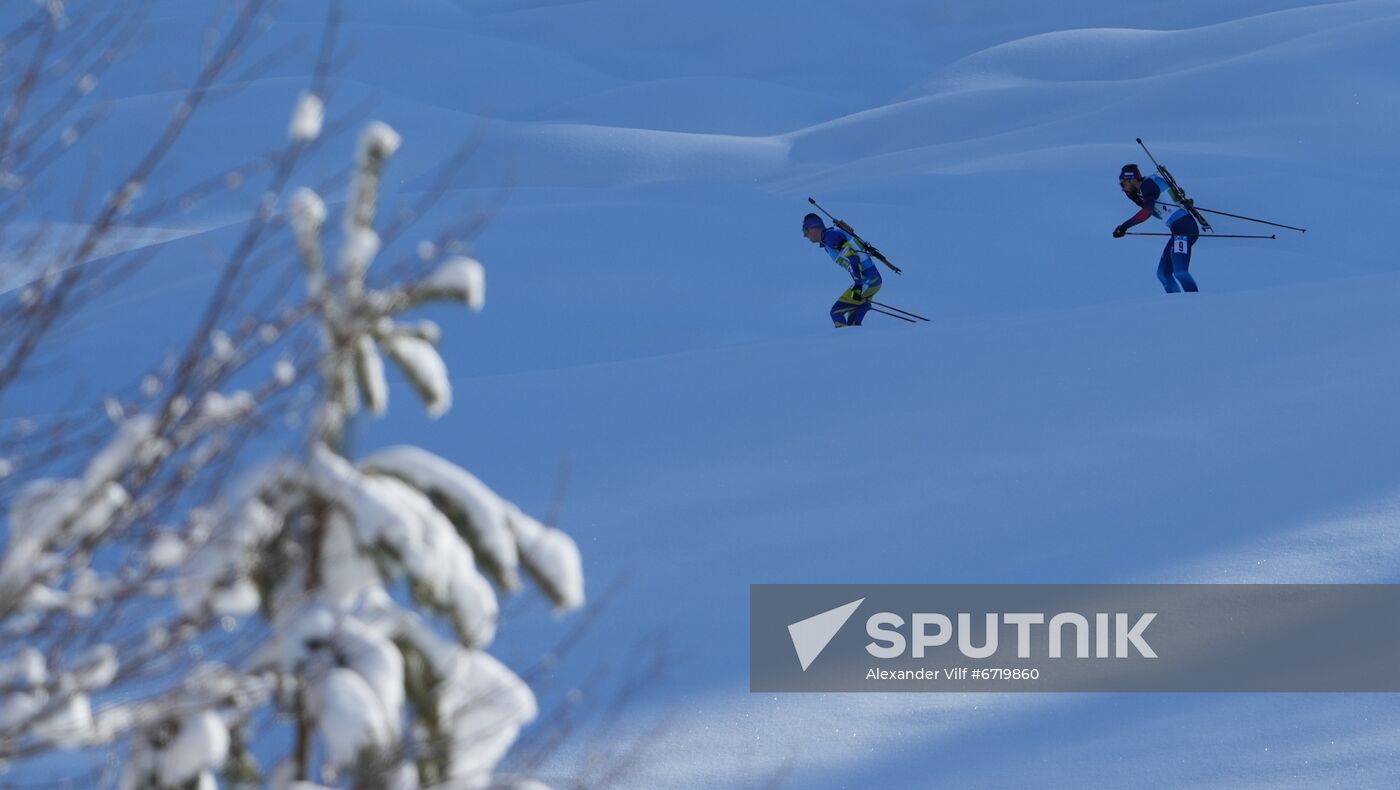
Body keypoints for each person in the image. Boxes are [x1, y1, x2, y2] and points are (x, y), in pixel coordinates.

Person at [1112, 163, 1201, 293]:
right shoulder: (1149, 184)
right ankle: (1178, 303)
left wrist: (1124, 227)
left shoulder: (1147, 185)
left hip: (1184, 229)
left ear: (1131, 179)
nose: (1122, 189)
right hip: (1179, 229)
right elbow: (1158, 211)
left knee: (1180, 271)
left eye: (1122, 184)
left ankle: (1196, 302)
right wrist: (1137, 201)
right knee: (1163, 274)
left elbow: (1147, 212)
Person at [803, 213, 882, 327]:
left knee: (836, 312)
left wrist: (858, 286)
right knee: (853, 323)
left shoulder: (830, 237)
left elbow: (853, 257)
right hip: (873, 281)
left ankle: (842, 342)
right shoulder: (829, 239)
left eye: (805, 230)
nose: (805, 235)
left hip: (867, 282)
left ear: (814, 228)